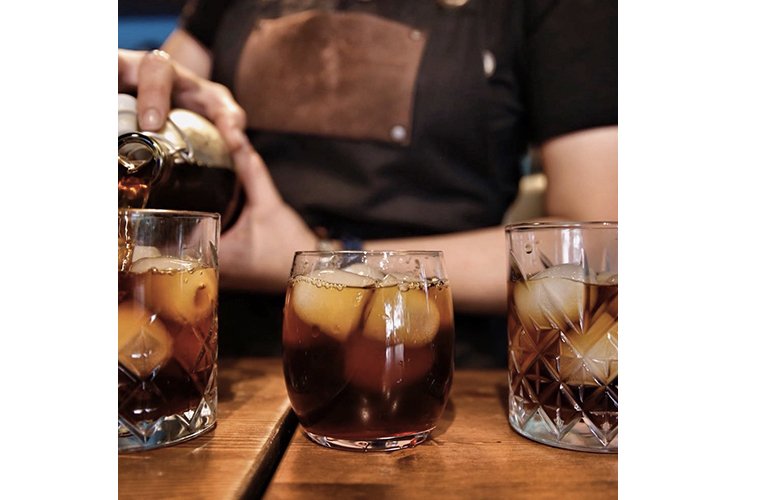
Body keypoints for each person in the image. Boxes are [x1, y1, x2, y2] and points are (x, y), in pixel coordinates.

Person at [118, 0, 617, 368]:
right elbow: (156, 122)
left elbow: (598, 242)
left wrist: (325, 260)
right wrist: (136, 95)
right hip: (210, 356)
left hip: (420, 352)